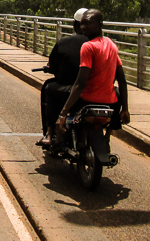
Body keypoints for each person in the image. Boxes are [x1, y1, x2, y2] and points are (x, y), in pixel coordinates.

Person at [42, 8, 130, 147]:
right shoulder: (111, 45)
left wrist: (63, 114)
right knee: (117, 92)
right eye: (83, 24)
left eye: (88, 23)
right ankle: (107, 137)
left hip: (86, 98)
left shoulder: (87, 47)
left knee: (50, 89)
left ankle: (51, 132)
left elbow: (80, 83)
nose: (84, 27)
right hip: (109, 101)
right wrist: (125, 109)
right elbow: (122, 80)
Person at [37, 8, 90, 146]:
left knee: (49, 89)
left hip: (70, 89)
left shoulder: (64, 43)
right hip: (95, 90)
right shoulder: (103, 44)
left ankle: (50, 132)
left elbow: (53, 66)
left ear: (75, 24)